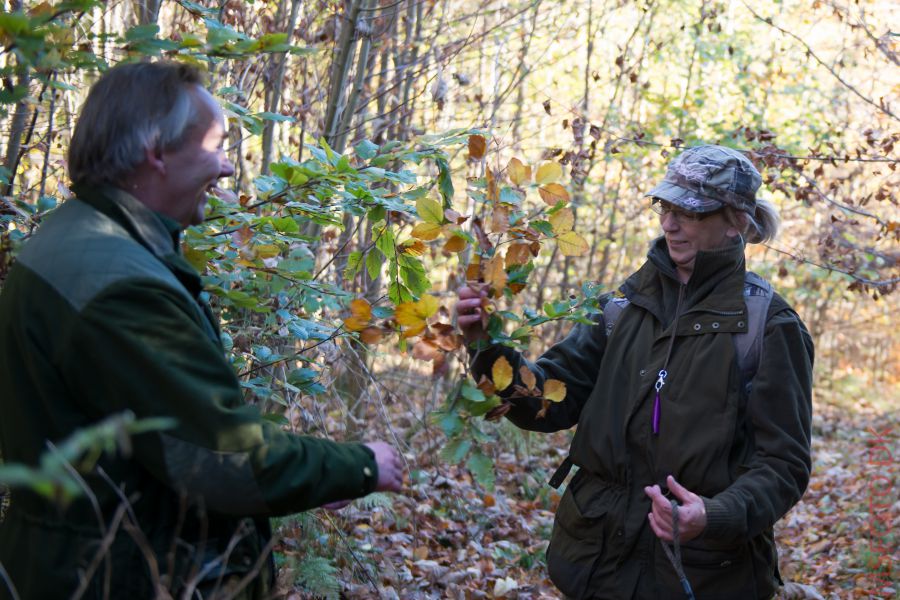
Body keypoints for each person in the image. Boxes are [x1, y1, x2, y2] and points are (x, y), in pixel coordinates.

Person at [0, 61, 403, 599]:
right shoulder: (120, 284)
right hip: (111, 578)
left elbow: (168, 436)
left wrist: (311, 477)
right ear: (155, 151)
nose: (229, 169)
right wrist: (358, 467)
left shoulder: (74, 240)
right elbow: (223, 459)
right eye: (216, 145)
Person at [456, 145, 813, 599]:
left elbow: (784, 464)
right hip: (596, 563)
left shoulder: (768, 327)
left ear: (736, 221)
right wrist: (485, 349)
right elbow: (548, 403)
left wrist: (713, 515)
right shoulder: (624, 307)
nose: (669, 224)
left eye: (691, 211)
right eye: (666, 206)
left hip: (703, 574)